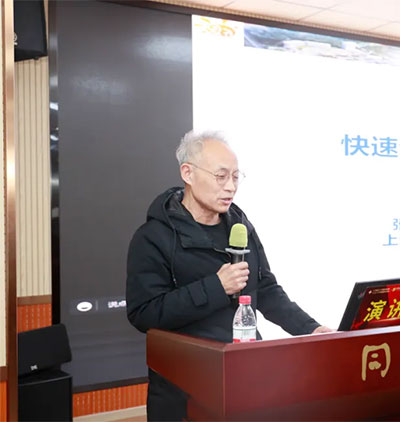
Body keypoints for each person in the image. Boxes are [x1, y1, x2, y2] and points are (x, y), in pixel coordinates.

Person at [126, 130, 331, 421]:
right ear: (188, 173)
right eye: (221, 176)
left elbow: (266, 289)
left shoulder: (240, 226)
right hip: (184, 390)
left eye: (236, 177)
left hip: (246, 377)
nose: (231, 187)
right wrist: (216, 287)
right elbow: (144, 313)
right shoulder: (153, 237)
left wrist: (310, 329)